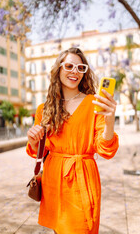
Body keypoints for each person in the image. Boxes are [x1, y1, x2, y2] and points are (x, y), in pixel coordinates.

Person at [26, 47, 119, 234]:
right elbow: (40, 152)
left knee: (82, 228)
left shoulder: (94, 103)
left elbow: (105, 149)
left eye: (80, 68)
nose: (75, 71)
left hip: (81, 179)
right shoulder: (44, 108)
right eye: (69, 66)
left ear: (85, 73)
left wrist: (109, 122)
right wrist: (34, 140)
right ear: (58, 69)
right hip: (53, 180)